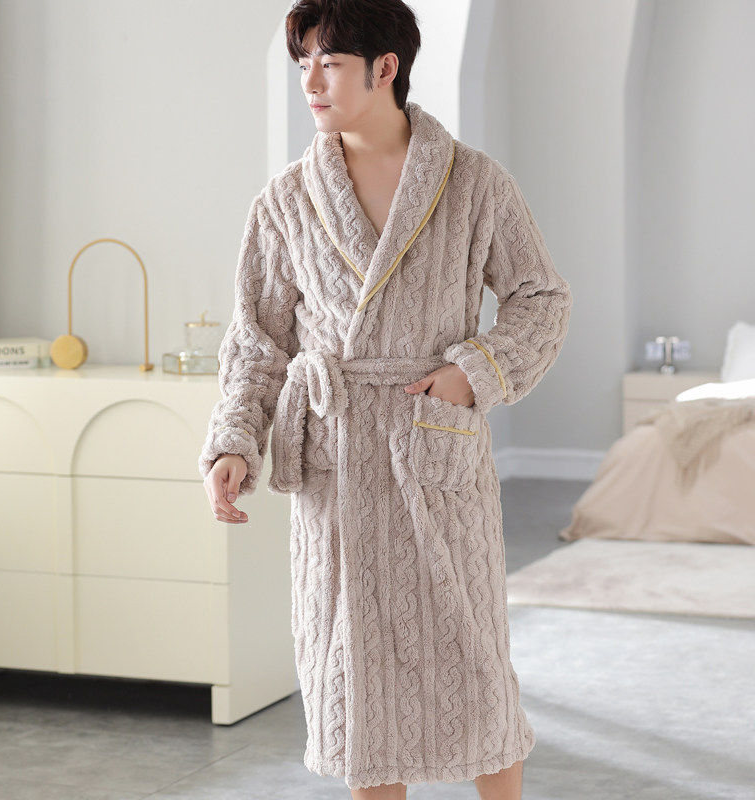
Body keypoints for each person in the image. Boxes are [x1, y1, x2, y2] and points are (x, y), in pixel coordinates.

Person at [199, 1, 572, 798]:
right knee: (353, 674)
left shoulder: (473, 183)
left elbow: (540, 297)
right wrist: (234, 442)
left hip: (432, 446)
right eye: (303, 63)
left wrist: (472, 371)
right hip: (337, 462)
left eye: (330, 62)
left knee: (472, 659)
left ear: (386, 68)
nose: (311, 80)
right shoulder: (287, 200)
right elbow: (258, 340)